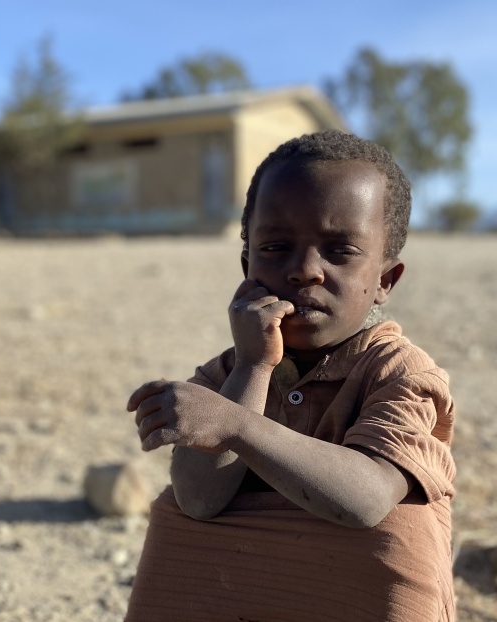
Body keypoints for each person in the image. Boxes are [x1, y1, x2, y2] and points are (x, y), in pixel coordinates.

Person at [125, 130, 456, 622]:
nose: (304, 271)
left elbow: (364, 503)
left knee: (399, 528)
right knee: (174, 515)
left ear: (386, 280)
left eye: (340, 251)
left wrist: (234, 426)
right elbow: (198, 500)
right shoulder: (227, 370)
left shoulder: (398, 372)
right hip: (244, 596)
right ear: (247, 265)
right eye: (276, 247)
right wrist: (253, 367)